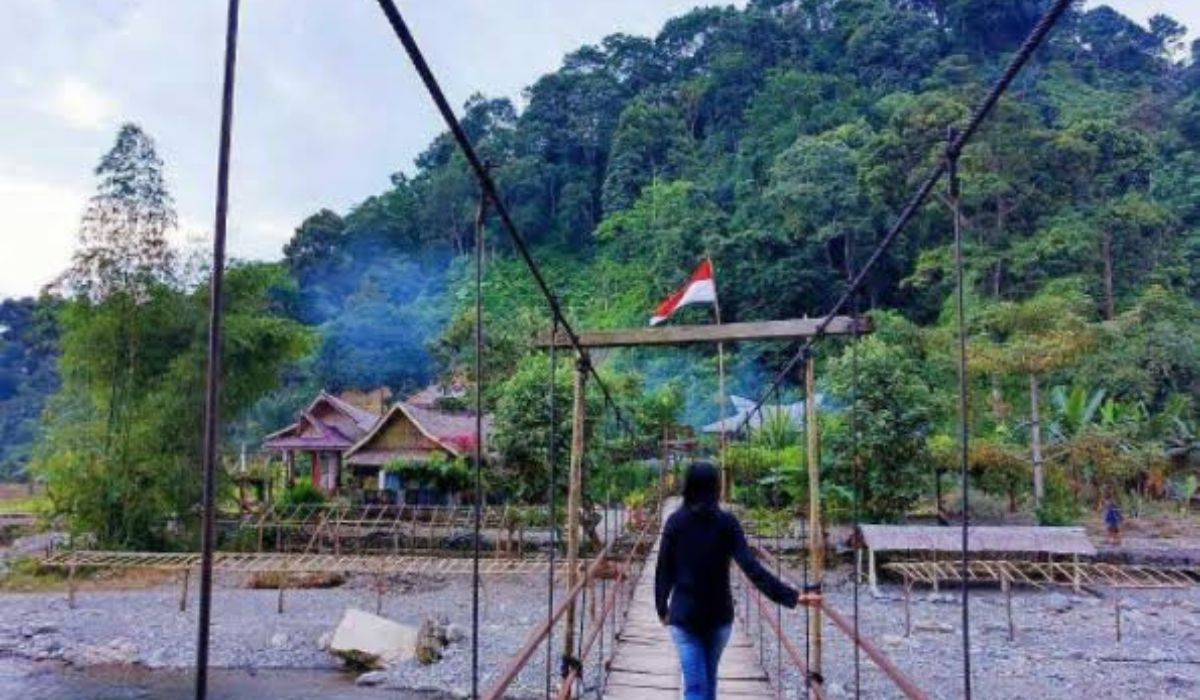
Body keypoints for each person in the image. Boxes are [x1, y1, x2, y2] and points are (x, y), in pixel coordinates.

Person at [655, 462, 811, 700]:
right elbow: (751, 567)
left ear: (687, 486)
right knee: (707, 684)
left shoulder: (675, 522)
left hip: (684, 616)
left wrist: (661, 608)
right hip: (719, 616)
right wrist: (793, 597)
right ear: (717, 487)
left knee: (696, 688)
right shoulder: (728, 523)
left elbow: (663, 569)